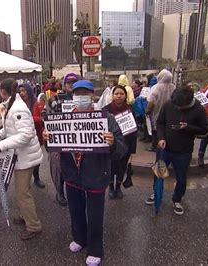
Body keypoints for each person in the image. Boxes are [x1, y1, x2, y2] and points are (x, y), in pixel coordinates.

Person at [43, 79, 125, 266]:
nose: (81, 97)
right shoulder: (63, 119)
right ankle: (80, 238)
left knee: (95, 215)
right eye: (77, 93)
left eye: (85, 94)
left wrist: (112, 143)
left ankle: (96, 249)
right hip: (72, 174)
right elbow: (53, 149)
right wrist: (47, 139)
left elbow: (122, 148)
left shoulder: (106, 119)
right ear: (73, 96)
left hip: (96, 175)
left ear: (93, 96)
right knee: (75, 210)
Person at [0, 78, 43, 240]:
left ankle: (33, 225)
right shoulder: (11, 105)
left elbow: (25, 135)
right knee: (23, 190)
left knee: (22, 193)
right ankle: (25, 215)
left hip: (25, 157)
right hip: (21, 156)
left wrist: (1, 145)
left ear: (3, 91)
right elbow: (9, 131)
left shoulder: (17, 108)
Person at [144, 86, 208, 215]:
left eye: (181, 107)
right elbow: (160, 123)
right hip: (164, 148)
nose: (178, 108)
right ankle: (156, 193)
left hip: (184, 151)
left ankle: (177, 199)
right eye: (176, 105)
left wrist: (188, 127)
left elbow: (204, 129)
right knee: (158, 174)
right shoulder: (168, 105)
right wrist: (161, 138)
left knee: (181, 177)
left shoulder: (199, 109)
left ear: (188, 102)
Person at [44, 72, 79, 206]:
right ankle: (60, 192)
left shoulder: (81, 97)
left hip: (77, 140)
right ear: (64, 84)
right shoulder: (55, 99)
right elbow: (46, 115)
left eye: (74, 82)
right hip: (58, 139)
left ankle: (74, 191)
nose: (71, 85)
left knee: (75, 166)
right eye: (69, 82)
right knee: (58, 167)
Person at [102, 85, 137, 199]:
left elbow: (134, 130)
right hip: (111, 145)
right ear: (112, 96)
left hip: (126, 144)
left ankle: (118, 187)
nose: (119, 96)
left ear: (125, 96)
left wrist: (132, 149)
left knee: (122, 167)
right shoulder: (105, 110)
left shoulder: (130, 110)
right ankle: (111, 187)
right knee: (111, 167)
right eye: (116, 94)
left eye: (121, 94)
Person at [17, 83, 45, 189]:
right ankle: (26, 181)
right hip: (22, 136)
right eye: (20, 91)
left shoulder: (37, 102)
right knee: (26, 159)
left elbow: (42, 119)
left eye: (24, 90)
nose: (22, 93)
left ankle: (36, 177)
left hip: (36, 135)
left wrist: (29, 119)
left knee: (36, 159)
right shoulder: (17, 104)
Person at [145, 69, 176, 152]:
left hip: (157, 110)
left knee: (156, 129)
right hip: (170, 112)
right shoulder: (173, 87)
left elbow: (151, 101)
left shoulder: (156, 87)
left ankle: (154, 146)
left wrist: (147, 111)